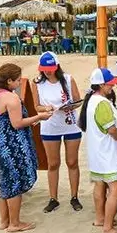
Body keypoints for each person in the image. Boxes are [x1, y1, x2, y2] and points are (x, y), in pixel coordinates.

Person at [0, 63, 52, 233]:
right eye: (17, 80)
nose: (19, 83)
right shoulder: (11, 98)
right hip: (13, 144)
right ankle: (14, 223)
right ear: (9, 81)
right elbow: (17, 124)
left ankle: (4, 221)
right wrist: (39, 117)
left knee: (5, 181)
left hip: (0, 141)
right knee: (15, 182)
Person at [79, 67, 117, 233]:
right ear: (101, 85)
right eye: (109, 85)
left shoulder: (92, 100)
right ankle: (107, 228)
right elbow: (111, 129)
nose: (111, 88)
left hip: (96, 151)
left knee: (99, 184)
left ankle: (100, 219)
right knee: (116, 188)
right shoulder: (102, 103)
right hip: (106, 152)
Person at [31, 51, 83, 213]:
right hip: (50, 125)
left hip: (70, 124)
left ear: (57, 66)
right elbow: (36, 106)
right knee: (53, 163)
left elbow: (77, 100)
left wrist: (70, 106)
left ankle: (74, 196)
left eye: (50, 68)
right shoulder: (37, 83)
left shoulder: (68, 79)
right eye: (44, 68)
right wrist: (46, 108)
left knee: (72, 162)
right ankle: (53, 198)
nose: (47, 71)